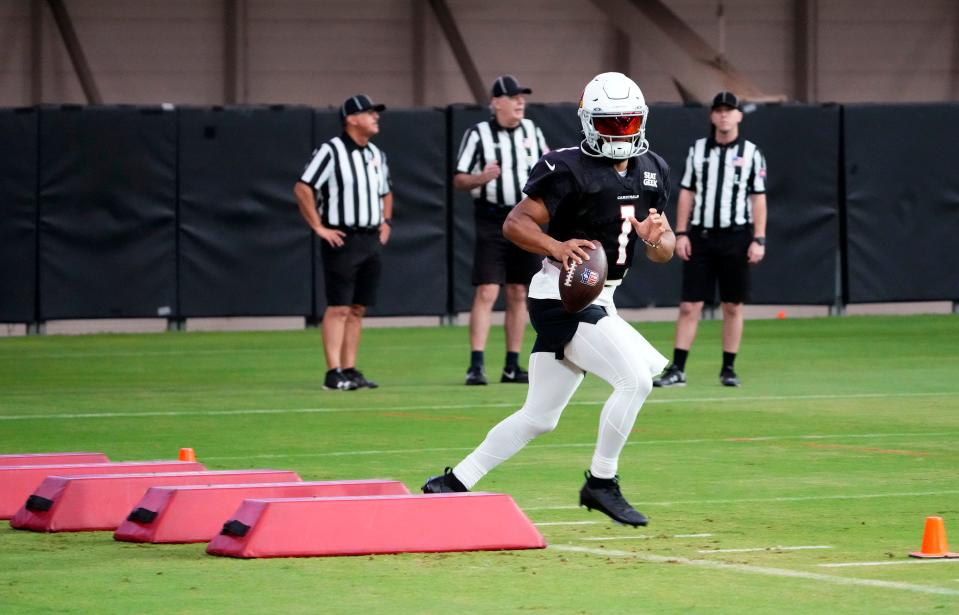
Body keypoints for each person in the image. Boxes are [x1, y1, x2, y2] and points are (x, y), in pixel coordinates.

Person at [423, 72, 675, 527]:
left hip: (603, 297)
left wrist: (657, 239)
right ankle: (601, 482)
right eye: (612, 123)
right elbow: (515, 223)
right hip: (562, 294)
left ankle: (453, 482)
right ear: (589, 123)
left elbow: (663, 250)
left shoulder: (653, 168)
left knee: (539, 416)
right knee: (635, 380)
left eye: (628, 122)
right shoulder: (567, 167)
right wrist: (556, 247)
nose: (622, 132)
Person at [653, 91, 768, 388]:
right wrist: (680, 233)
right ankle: (677, 368)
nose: (724, 115)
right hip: (701, 236)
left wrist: (759, 239)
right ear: (712, 115)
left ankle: (728, 368)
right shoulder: (699, 151)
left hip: (737, 236)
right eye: (718, 110)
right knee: (690, 305)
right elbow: (687, 193)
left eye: (729, 110)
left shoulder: (752, 153)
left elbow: (758, 199)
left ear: (739, 115)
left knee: (733, 305)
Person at [293, 94, 393, 391]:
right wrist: (319, 227)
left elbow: (386, 191)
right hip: (342, 237)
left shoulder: (376, 154)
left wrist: (385, 222)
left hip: (369, 238)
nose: (376, 117)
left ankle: (349, 368)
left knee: (358, 307)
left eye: (376, 113)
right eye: (369, 113)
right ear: (351, 118)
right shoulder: (331, 151)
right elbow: (302, 188)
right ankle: (332, 371)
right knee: (339, 306)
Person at [454, 75, 549, 386]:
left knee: (520, 291)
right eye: (512, 96)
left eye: (522, 96)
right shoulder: (478, 134)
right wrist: (482, 177)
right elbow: (459, 179)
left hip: (525, 219)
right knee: (487, 290)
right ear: (495, 102)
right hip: (492, 218)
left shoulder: (533, 131)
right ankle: (476, 364)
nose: (520, 101)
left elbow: (548, 165)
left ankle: (512, 364)